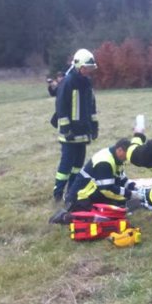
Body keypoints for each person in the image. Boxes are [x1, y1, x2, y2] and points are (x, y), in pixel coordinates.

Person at [52, 49, 99, 201]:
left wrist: (94, 126)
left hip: (83, 132)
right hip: (70, 133)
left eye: (90, 68)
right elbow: (61, 107)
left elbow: (91, 106)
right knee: (66, 165)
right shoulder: (68, 82)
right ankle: (58, 192)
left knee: (78, 165)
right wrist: (66, 129)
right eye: (86, 68)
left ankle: (72, 192)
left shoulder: (87, 83)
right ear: (79, 66)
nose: (89, 71)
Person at [63, 138, 137, 211]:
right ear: (120, 150)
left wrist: (134, 187)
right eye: (127, 154)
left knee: (123, 201)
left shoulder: (115, 158)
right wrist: (129, 194)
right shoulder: (105, 163)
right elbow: (107, 189)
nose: (127, 158)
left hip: (91, 191)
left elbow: (121, 178)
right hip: (80, 198)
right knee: (119, 206)